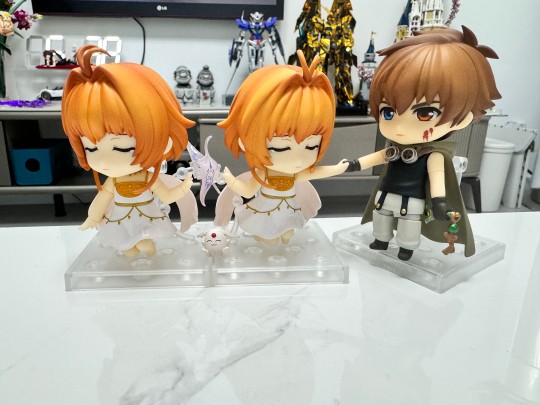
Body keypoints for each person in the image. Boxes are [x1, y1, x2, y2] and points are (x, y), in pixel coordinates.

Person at [346, 26, 501, 261]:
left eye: (425, 113)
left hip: (412, 201)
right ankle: (381, 239)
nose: (399, 127)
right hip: (386, 194)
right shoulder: (394, 149)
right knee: (381, 217)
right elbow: (377, 157)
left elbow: (437, 179)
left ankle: (406, 247)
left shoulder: (432, 154)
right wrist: (353, 165)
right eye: (388, 112)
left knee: (409, 224)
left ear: (465, 116)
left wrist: (439, 201)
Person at [62, 45, 197, 257]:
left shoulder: (147, 177)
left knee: (146, 246)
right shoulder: (113, 181)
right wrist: (92, 218)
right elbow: (101, 201)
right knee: (128, 250)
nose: (104, 160)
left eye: (121, 147)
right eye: (90, 148)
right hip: (120, 221)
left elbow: (167, 196)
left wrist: (184, 187)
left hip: (147, 218)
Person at [214, 50, 348, 244]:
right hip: (265, 213)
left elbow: (316, 173)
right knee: (268, 240)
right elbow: (248, 191)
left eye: (311, 146)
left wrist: (338, 168)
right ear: (245, 139)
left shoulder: (295, 175)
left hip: (289, 212)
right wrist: (230, 180)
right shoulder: (264, 174)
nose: (299, 159)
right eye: (281, 148)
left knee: (287, 235)